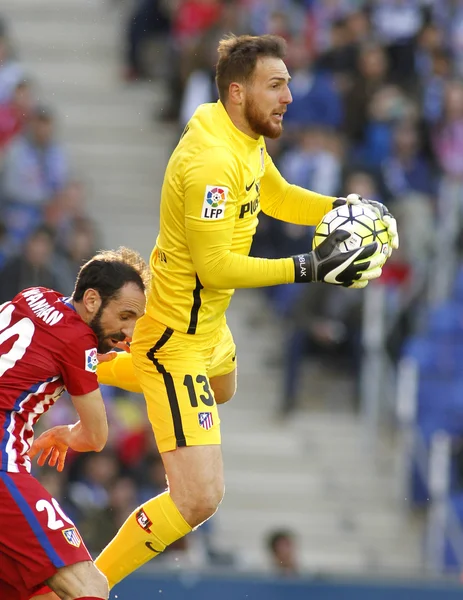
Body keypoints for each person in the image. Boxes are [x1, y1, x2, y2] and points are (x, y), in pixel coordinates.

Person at [83, 34, 399, 590]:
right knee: (200, 497)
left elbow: (274, 195)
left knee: (224, 388)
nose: (288, 98)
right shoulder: (210, 161)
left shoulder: (240, 134)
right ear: (237, 92)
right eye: (276, 86)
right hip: (176, 336)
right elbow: (215, 267)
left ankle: (89, 366)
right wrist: (308, 266)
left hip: (210, 328)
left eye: (288, 84)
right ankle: (90, 585)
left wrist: (345, 211)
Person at [0, 246, 149, 600]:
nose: (128, 332)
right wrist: (66, 434)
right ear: (93, 300)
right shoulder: (77, 340)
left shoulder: (34, 295)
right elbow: (97, 436)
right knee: (89, 587)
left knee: (43, 594)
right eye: (125, 316)